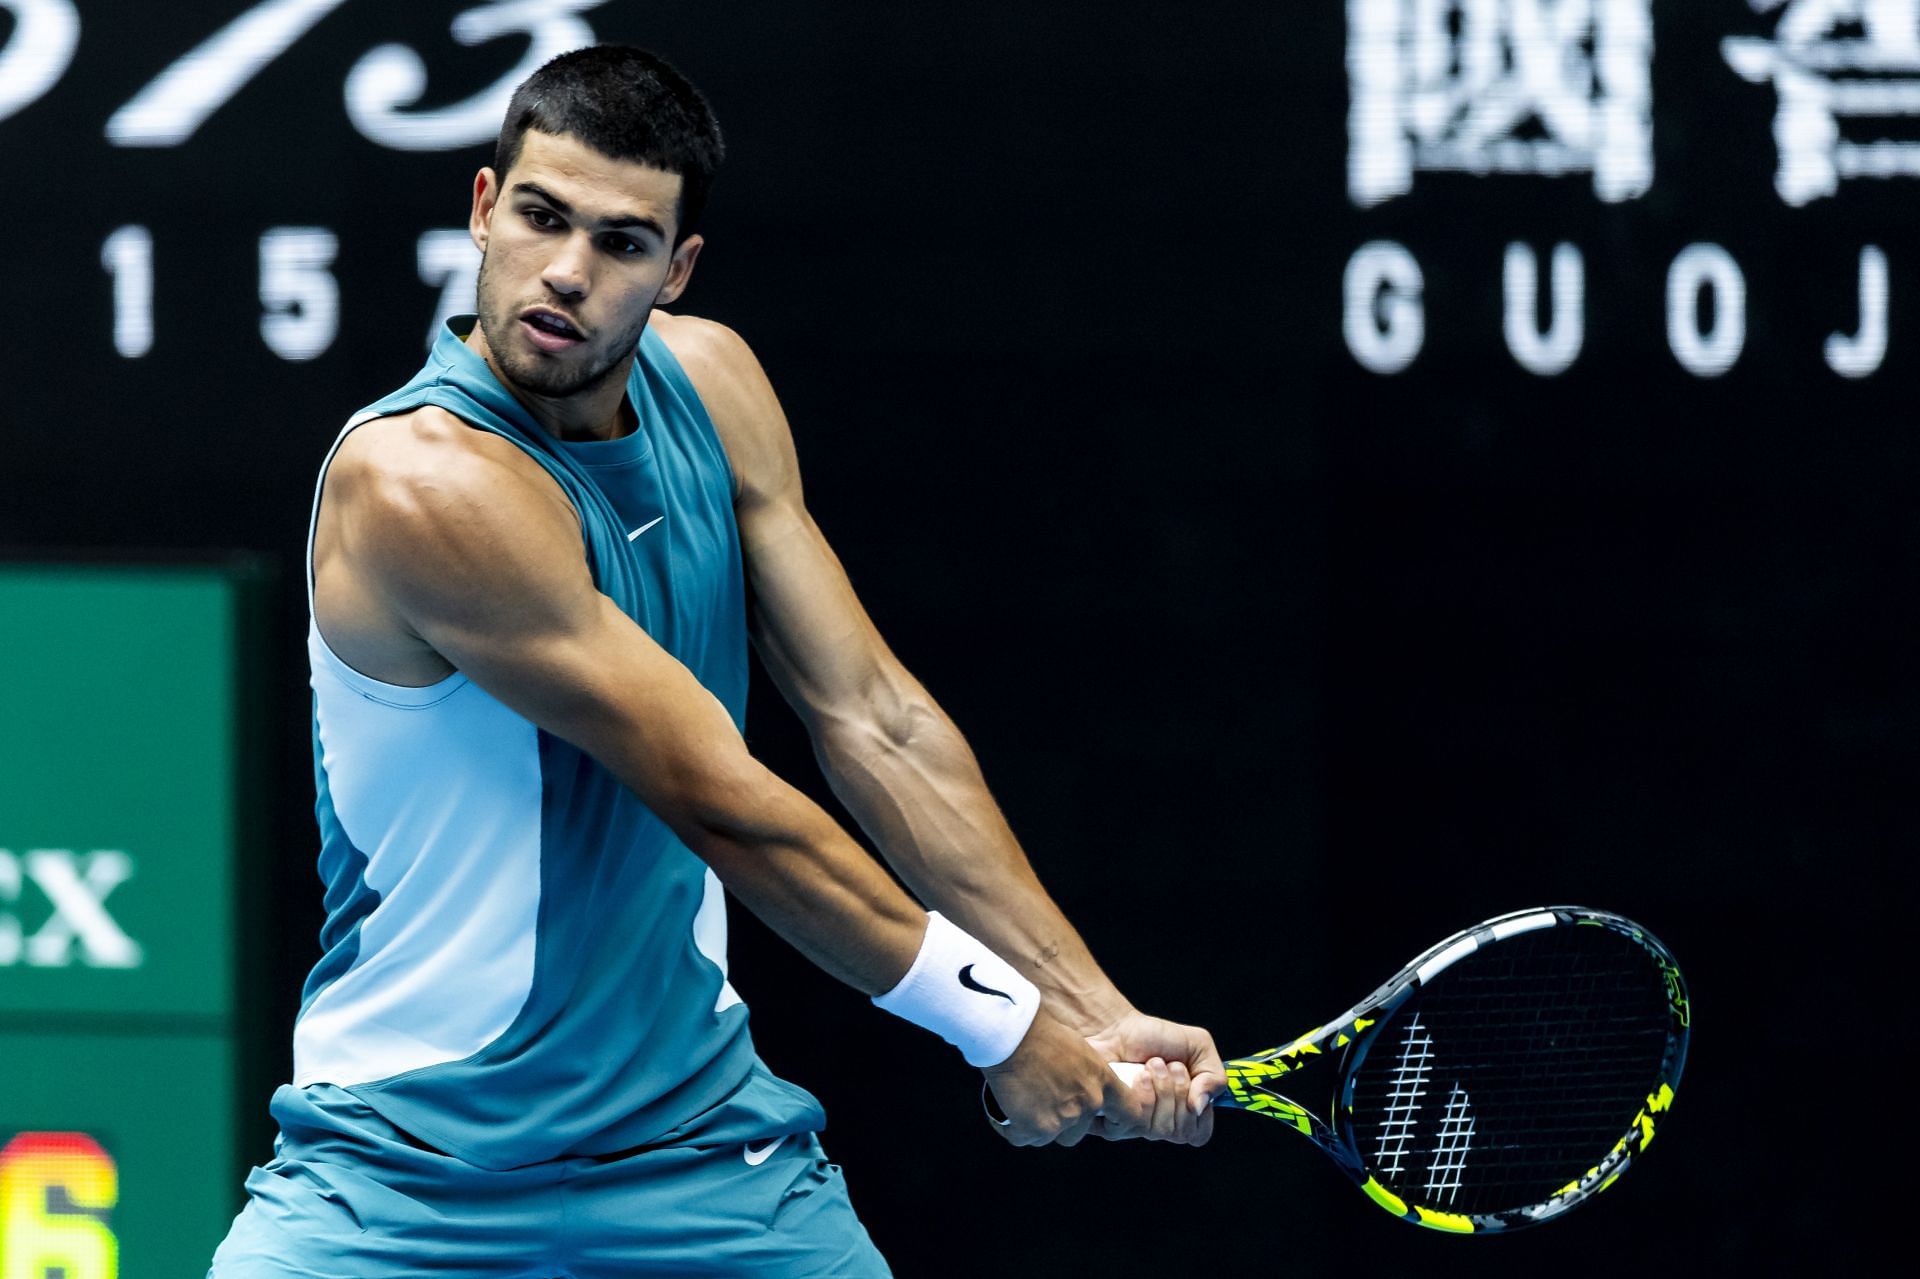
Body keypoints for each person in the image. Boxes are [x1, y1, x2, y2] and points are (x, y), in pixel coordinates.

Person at [210, 44, 1224, 1278]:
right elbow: (720, 801)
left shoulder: (716, 385)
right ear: (484, 210)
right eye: (541, 217)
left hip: (705, 1162)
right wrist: (1003, 1020)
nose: (568, 273)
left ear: (676, 269)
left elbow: (875, 720)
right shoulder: (423, 482)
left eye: (624, 243)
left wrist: (1091, 1006)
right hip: (400, 1180)